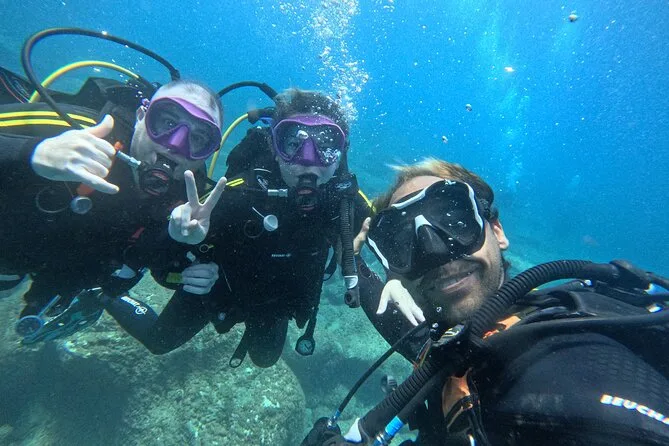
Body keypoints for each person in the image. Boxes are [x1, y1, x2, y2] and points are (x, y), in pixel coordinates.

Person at [303, 158, 669, 445]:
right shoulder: (455, 344)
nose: (434, 252)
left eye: (454, 219)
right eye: (403, 242)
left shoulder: (565, 363)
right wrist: (350, 256)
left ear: (497, 230)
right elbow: (412, 335)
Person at [108, 88, 372, 368]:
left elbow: (387, 230)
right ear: (274, 146)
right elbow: (160, 259)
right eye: (293, 143)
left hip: (276, 303)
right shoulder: (239, 192)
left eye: (326, 146)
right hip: (217, 290)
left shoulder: (346, 201)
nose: (308, 158)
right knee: (158, 341)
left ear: (340, 153)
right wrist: (179, 252)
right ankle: (107, 296)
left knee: (265, 359)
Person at [0, 76, 225, 343]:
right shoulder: (78, 129)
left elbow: (160, 268)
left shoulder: (190, 197)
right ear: (141, 116)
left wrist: (181, 254)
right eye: (167, 122)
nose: (176, 143)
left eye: (198, 138)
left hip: (66, 278)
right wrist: (33, 153)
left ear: (208, 152)